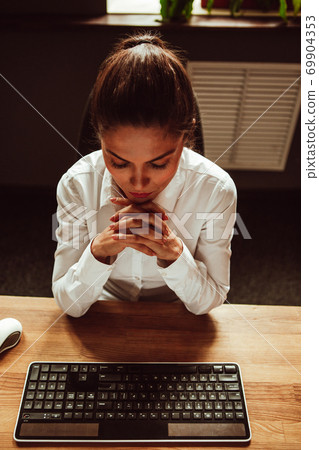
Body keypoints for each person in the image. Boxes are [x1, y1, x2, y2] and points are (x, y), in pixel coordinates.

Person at [52, 32, 237, 318]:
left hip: (179, 313)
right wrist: (99, 251)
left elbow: (208, 302)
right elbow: (70, 305)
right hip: (103, 310)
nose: (137, 184)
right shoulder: (77, 184)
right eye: (119, 162)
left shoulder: (216, 189)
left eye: (159, 164)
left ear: (185, 140)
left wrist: (174, 252)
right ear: (100, 139)